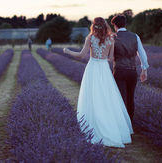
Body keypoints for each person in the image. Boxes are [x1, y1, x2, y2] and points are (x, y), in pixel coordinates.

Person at [63, 17, 133, 148]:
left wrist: (67, 51)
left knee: (92, 97)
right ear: (105, 26)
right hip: (104, 69)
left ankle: (93, 125)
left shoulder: (90, 38)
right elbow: (111, 58)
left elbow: (80, 55)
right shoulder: (111, 39)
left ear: (94, 26)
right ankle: (111, 127)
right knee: (107, 98)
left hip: (93, 69)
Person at [111, 14, 149, 121]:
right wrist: (144, 70)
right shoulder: (135, 36)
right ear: (125, 24)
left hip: (119, 71)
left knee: (121, 99)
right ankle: (130, 123)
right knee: (130, 98)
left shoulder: (113, 37)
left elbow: (108, 55)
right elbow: (142, 54)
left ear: (115, 25)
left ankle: (122, 124)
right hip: (132, 71)